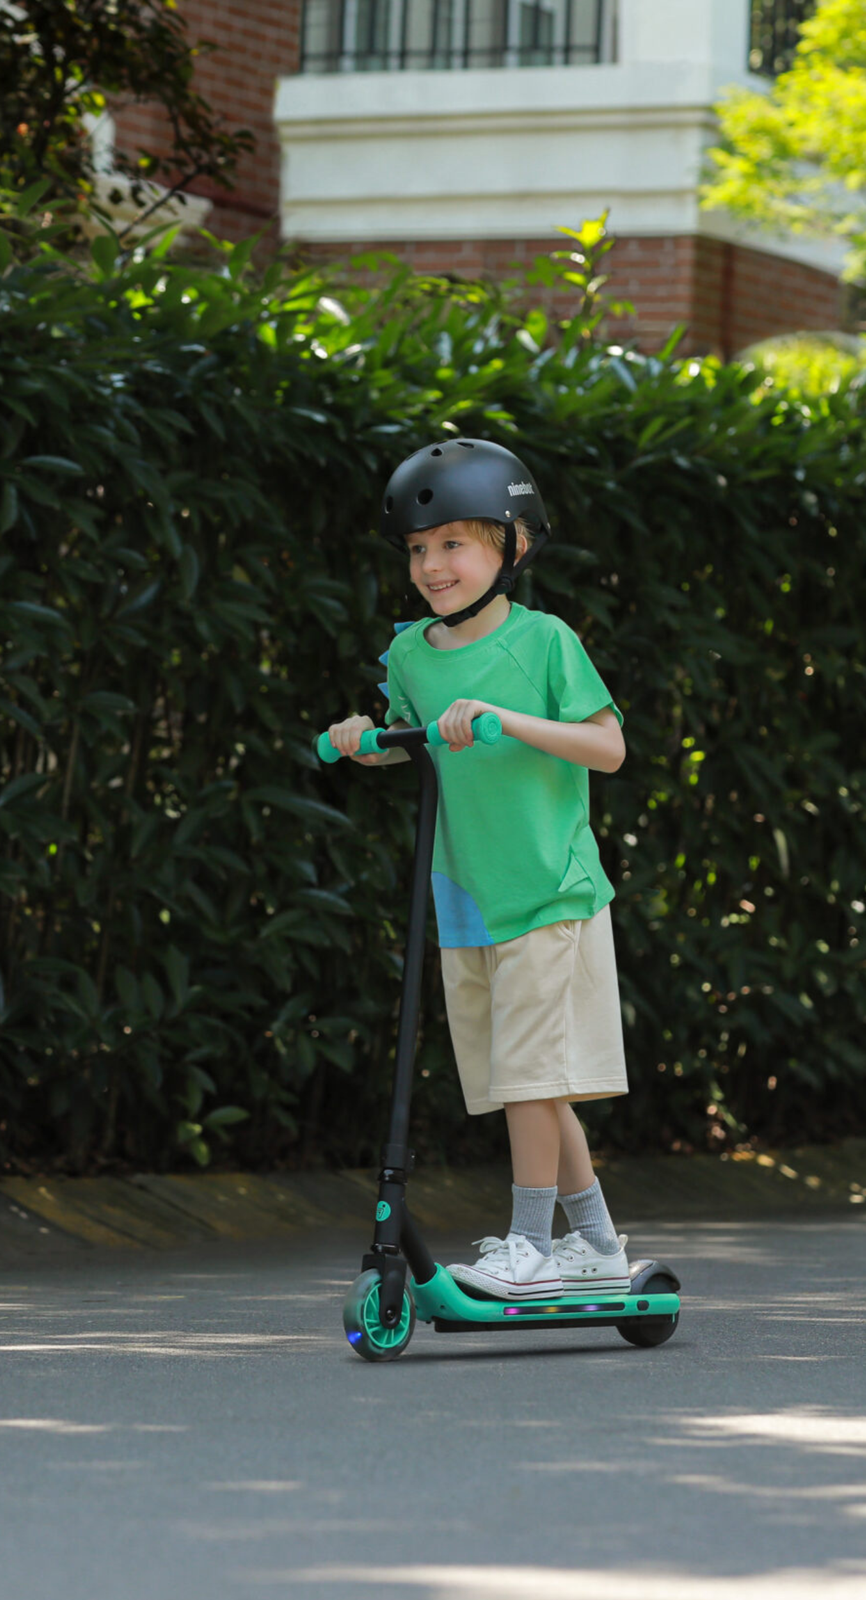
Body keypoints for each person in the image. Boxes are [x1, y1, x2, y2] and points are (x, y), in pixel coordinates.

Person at [324, 438, 632, 1300]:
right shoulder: (414, 654)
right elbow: (407, 738)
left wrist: (507, 719)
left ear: (514, 547)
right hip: (466, 897)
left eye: (453, 543)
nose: (431, 564)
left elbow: (608, 747)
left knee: (533, 1078)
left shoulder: (545, 644)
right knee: (523, 1083)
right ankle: (599, 1243)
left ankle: (530, 1244)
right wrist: (365, 741)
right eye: (419, 549)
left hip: (547, 890)